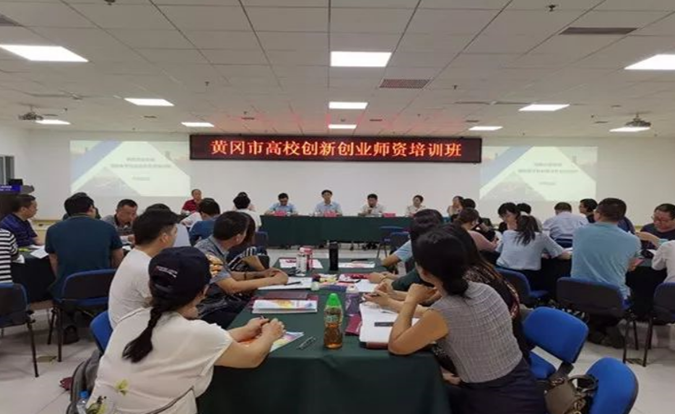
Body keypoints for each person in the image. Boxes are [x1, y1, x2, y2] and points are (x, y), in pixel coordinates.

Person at [89, 247, 286, 414]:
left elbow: (194, 344)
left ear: (150, 284)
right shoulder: (196, 333)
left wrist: (243, 331)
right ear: (204, 291)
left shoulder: (130, 320)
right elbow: (251, 357)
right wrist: (270, 334)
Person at [386, 228, 545, 414]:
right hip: (524, 387)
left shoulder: (444, 311)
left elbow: (397, 346)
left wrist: (411, 301)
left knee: (408, 395)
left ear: (423, 271)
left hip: (495, 401)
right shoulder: (484, 289)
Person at [367, 224, 529, 361]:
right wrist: (394, 296)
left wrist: (395, 301)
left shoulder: (469, 282)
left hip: (490, 363)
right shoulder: (478, 273)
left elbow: (401, 342)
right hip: (503, 356)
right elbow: (430, 297)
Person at [46, 194, 124, 343]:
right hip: (103, 287)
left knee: (56, 289)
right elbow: (118, 256)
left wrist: (61, 279)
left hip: (70, 288)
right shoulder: (107, 228)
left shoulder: (53, 230)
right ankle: (103, 322)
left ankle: (67, 324)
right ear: (91, 208)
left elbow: (54, 260)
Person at [195, 212, 288, 327]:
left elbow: (226, 275)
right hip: (207, 310)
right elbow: (232, 287)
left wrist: (260, 274)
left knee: (265, 312)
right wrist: (274, 280)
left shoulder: (212, 246)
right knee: (260, 324)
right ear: (238, 237)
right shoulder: (208, 254)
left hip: (221, 303)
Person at [571, 198, 641, 348]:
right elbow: (631, 267)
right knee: (632, 292)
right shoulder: (633, 240)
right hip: (611, 295)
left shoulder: (579, 232)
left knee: (595, 296)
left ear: (597, 214)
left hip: (577, 293)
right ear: (622, 218)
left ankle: (594, 328)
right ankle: (604, 326)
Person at [108, 209, 179, 328]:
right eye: (175, 232)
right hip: (133, 332)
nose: (176, 236)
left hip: (128, 321)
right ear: (164, 237)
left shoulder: (135, 255)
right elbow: (169, 307)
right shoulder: (144, 268)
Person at [496, 215, 570, 291]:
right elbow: (564, 256)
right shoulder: (541, 237)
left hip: (503, 274)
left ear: (517, 224)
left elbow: (499, 250)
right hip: (527, 278)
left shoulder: (507, 234)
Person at [375, 210, 445, 284]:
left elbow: (427, 287)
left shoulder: (418, 243)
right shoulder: (447, 243)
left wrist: (384, 279)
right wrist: (397, 278)